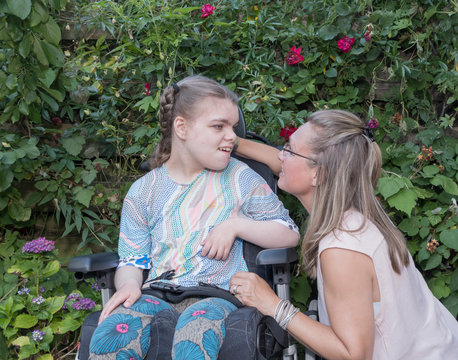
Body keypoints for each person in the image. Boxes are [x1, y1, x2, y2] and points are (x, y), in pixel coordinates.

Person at [88, 75, 299, 360]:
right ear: (182, 127)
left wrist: (236, 225)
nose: (231, 137)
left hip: (217, 296)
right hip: (157, 293)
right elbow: (132, 259)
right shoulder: (144, 191)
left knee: (194, 336)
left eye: (233, 127)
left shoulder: (240, 178)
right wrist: (128, 284)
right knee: (111, 335)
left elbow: (288, 232)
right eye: (218, 126)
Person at [230, 109, 458, 359]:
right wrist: (234, 142)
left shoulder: (343, 248)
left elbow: (352, 354)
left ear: (319, 174)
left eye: (288, 149)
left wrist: (272, 304)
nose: (280, 155)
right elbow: (288, 163)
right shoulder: (356, 212)